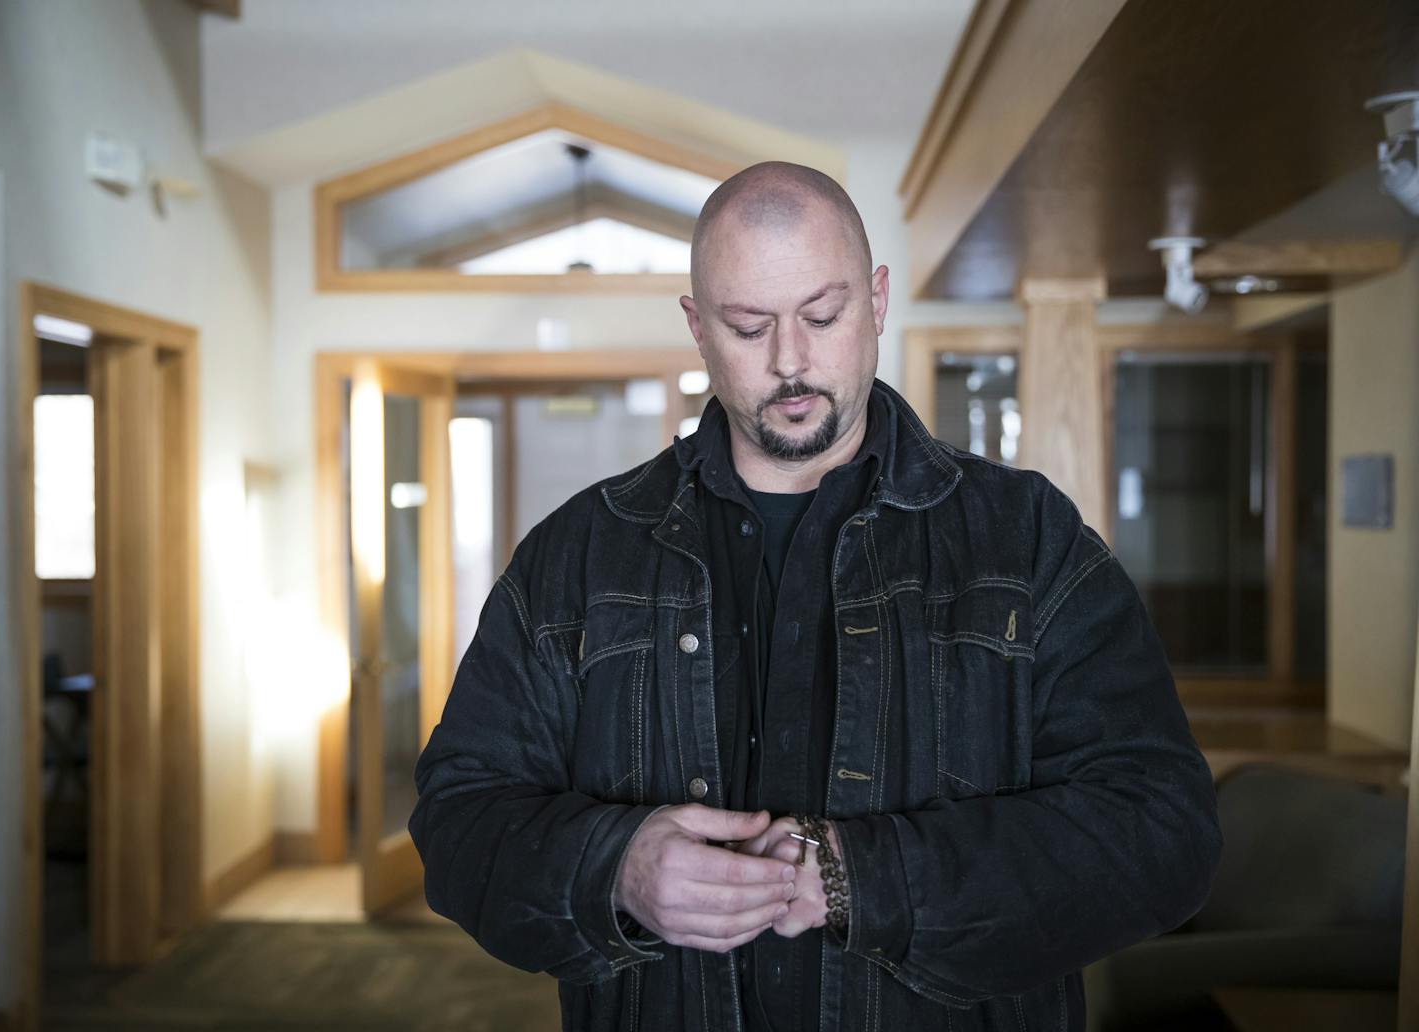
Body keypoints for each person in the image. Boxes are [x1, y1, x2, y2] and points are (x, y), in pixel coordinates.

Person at [409, 161, 1223, 1032]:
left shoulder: (1025, 537)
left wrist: (864, 877)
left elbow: (1163, 833)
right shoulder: (577, 553)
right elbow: (459, 819)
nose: (790, 361)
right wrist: (615, 868)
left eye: (822, 316)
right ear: (697, 326)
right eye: (749, 326)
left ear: (876, 300)